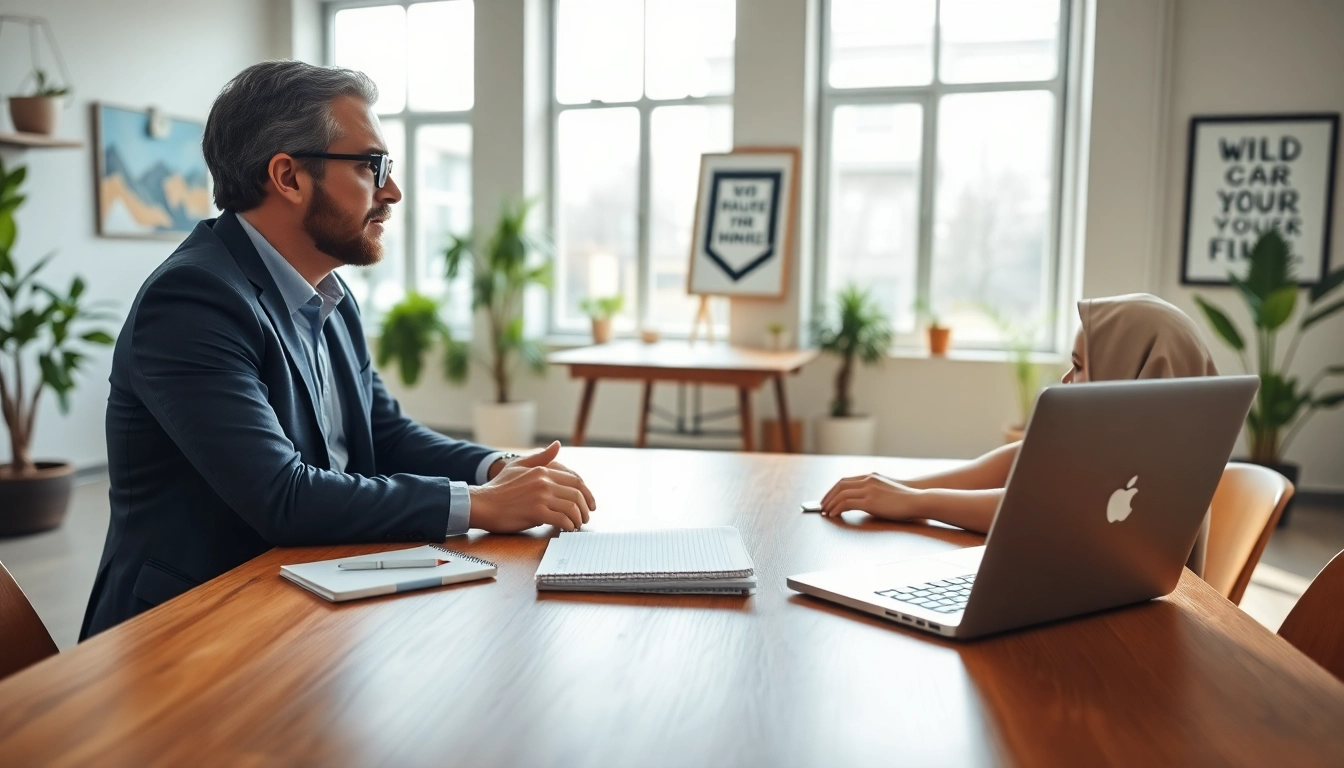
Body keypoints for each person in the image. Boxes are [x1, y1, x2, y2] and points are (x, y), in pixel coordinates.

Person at [81, 62, 595, 639]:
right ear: (289, 176)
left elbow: (386, 432)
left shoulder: (330, 292)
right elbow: (282, 495)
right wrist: (480, 505)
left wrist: (496, 467)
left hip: (303, 602)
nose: (392, 191)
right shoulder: (192, 300)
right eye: (372, 166)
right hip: (190, 629)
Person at [818, 293, 1219, 575]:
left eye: (1079, 366)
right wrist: (896, 487)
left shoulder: (1153, 482)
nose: (1065, 378)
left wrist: (915, 501)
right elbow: (1026, 459)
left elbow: (1032, 508)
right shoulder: (1119, 452)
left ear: (1129, 374)